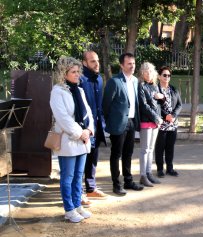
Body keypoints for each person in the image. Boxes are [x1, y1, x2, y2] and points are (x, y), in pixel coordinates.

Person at [49, 56, 94, 223]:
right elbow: (62, 118)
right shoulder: (57, 91)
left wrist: (89, 130)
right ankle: (69, 209)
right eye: (73, 72)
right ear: (64, 73)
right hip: (68, 141)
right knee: (67, 177)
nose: (77, 75)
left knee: (78, 176)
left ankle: (77, 205)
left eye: (78, 71)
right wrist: (79, 133)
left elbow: (88, 113)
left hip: (82, 140)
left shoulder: (80, 90)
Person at [102, 53, 144, 195]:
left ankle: (128, 181)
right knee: (116, 154)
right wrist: (111, 121)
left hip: (131, 122)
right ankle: (116, 184)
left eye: (133, 63)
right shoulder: (114, 82)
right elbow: (106, 105)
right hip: (118, 123)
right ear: (121, 65)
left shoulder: (135, 81)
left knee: (128, 153)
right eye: (129, 64)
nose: (132, 66)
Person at [79, 50, 108, 204]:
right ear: (84, 63)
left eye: (97, 61)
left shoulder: (99, 79)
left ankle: (91, 189)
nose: (97, 64)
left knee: (93, 159)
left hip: (96, 127)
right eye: (92, 61)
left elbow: (100, 104)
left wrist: (101, 123)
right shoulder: (81, 79)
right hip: (84, 128)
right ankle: (80, 193)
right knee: (82, 160)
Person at [138, 62, 164, 187]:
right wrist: (156, 118)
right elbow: (144, 106)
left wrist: (161, 97)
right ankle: (143, 175)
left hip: (155, 122)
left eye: (150, 71)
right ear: (142, 73)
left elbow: (158, 103)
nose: (148, 73)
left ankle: (149, 173)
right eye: (146, 71)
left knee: (151, 149)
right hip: (146, 121)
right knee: (145, 150)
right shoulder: (141, 86)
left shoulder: (154, 86)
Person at [154, 66, 182, 177]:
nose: (167, 77)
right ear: (159, 76)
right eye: (164, 75)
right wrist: (166, 116)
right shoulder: (155, 90)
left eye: (169, 75)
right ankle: (160, 169)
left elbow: (179, 104)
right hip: (161, 123)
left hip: (173, 123)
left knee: (170, 147)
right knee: (160, 147)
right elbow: (155, 106)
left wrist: (173, 115)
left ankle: (170, 168)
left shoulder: (174, 89)